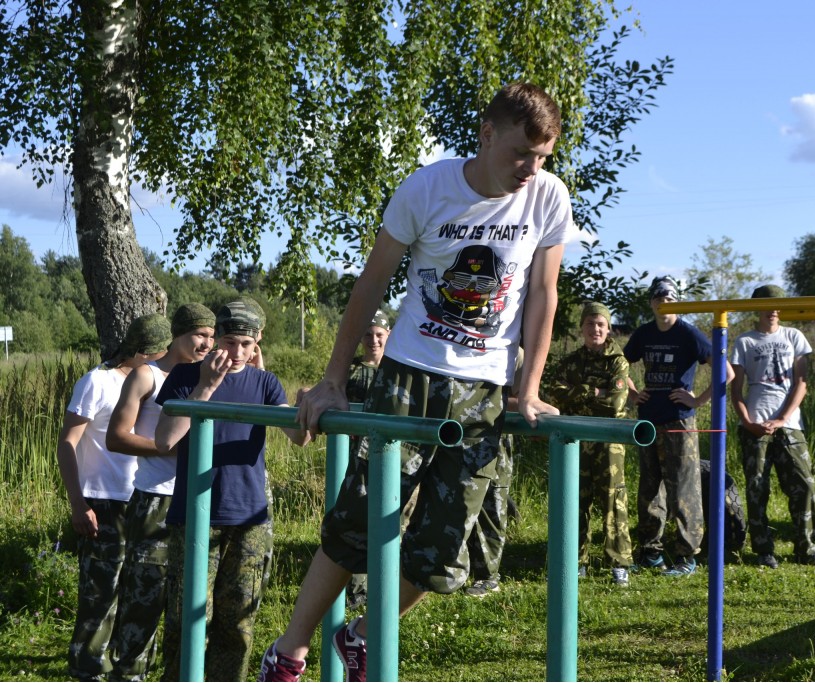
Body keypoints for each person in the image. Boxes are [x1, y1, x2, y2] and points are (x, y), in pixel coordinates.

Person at [257, 81, 574, 682]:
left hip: (484, 391)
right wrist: (332, 379)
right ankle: (289, 651)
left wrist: (528, 388)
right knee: (358, 522)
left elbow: (543, 292)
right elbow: (371, 284)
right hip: (410, 378)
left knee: (444, 552)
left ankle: (362, 636)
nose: (530, 169)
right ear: (486, 135)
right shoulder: (427, 188)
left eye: (542, 157)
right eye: (520, 153)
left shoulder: (547, 197)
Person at [154, 300, 310, 681]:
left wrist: (307, 406)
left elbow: (298, 438)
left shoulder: (265, 382)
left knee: (237, 623)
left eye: (246, 344)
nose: (237, 352)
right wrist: (206, 387)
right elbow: (164, 439)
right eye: (229, 342)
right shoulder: (186, 376)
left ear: (257, 341)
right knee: (185, 620)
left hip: (249, 518)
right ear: (217, 338)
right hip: (194, 515)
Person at [57, 313, 172, 681]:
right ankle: (87, 669)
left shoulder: (157, 382)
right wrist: (78, 504)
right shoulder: (97, 381)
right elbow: (67, 443)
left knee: (139, 593)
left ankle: (126, 668)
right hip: (102, 501)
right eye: (162, 352)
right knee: (100, 594)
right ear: (143, 351)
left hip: (142, 500)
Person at [104, 303, 216, 680]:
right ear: (178, 334)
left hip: (199, 500)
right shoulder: (147, 375)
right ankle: (129, 674)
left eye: (212, 336)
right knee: (144, 599)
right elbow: (117, 437)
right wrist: (172, 449)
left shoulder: (209, 376)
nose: (207, 343)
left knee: (190, 605)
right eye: (199, 334)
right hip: (156, 499)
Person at [623, 276, 728, 577]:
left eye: (670, 299)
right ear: (651, 302)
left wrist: (698, 400)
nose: (664, 303)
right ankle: (651, 552)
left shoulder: (688, 334)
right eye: (659, 298)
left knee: (683, 488)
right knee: (649, 489)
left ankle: (686, 556)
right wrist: (632, 393)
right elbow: (619, 364)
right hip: (648, 421)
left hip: (679, 421)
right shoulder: (644, 333)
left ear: (678, 302)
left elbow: (726, 371)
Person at [730, 284, 815, 569]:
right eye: (767, 305)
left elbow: (801, 383)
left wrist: (782, 418)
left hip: (790, 424)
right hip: (755, 423)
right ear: (757, 308)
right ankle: (764, 550)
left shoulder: (793, 336)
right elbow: (735, 390)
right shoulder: (745, 341)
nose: (773, 310)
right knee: (757, 487)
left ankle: (806, 548)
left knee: (804, 483)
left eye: (778, 305)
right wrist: (747, 422)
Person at [549, 301, 633, 586]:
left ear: (608, 329)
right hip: (577, 440)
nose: (595, 329)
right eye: (589, 324)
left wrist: (577, 395)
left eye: (600, 324)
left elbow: (615, 404)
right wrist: (593, 390)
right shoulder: (572, 362)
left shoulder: (618, 361)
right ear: (581, 328)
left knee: (612, 500)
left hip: (609, 441)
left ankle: (618, 563)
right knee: (575, 499)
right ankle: (575, 560)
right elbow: (554, 395)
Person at [465, 348, 524, 597]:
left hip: (493, 441)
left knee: (492, 506)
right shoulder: (457, 343)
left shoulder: (516, 354)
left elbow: (522, 402)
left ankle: (487, 577)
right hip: (460, 436)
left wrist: (481, 401)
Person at [344, 309, 391, 607]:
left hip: (391, 455)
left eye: (379, 335)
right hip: (356, 456)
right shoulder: (350, 371)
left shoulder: (398, 370)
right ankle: (357, 588)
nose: (373, 340)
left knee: (391, 519)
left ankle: (388, 583)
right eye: (368, 334)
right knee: (358, 517)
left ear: (388, 336)